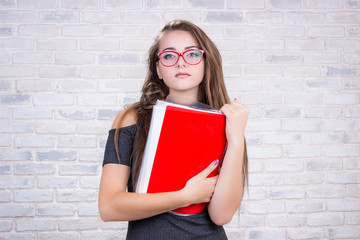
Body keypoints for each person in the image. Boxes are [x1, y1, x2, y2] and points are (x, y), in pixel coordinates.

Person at [98, 19, 249, 239]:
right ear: (158, 69)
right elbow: (109, 206)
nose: (181, 63)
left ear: (206, 63)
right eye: (169, 55)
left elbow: (221, 215)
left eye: (192, 54)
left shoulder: (228, 123)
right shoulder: (131, 119)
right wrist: (184, 196)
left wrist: (236, 141)